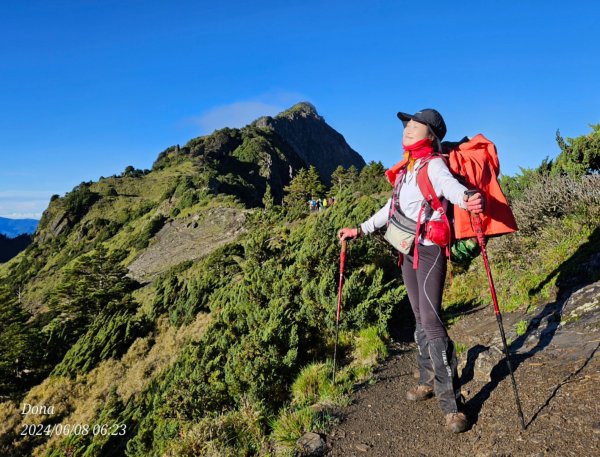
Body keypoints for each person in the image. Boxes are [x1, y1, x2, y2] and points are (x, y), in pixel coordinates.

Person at [337, 108, 484, 434]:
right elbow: (392, 209)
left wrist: (469, 198)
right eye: (407, 124)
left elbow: (450, 188)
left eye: (415, 126)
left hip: (430, 251)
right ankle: (427, 379)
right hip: (406, 250)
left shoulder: (433, 164)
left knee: (431, 322)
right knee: (419, 317)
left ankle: (452, 406)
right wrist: (359, 230)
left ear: (431, 134)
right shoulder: (408, 168)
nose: (407, 129)